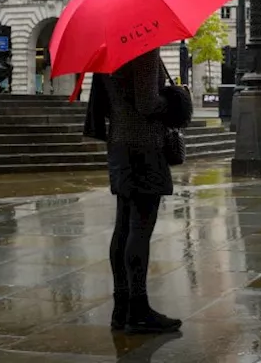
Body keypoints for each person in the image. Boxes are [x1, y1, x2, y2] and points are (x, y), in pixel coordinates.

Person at [101, 49, 180, 335]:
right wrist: (174, 100)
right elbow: (147, 103)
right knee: (140, 229)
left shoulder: (106, 50)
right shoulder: (143, 47)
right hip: (145, 146)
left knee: (123, 226)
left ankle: (120, 307)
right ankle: (139, 308)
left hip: (119, 144)